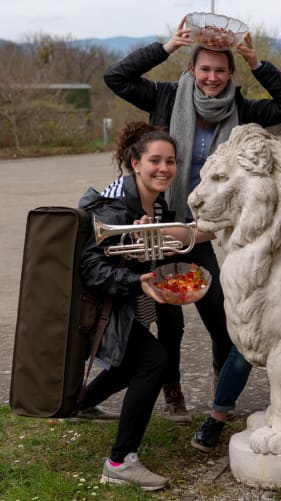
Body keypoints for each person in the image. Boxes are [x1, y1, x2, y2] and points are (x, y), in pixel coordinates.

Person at [103, 16, 281, 425]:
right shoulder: (164, 96)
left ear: (230, 73)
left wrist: (256, 61)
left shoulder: (243, 110)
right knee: (169, 320)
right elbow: (116, 77)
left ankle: (219, 394)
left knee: (222, 316)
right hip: (169, 222)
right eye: (205, 69)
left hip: (218, 229)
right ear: (192, 70)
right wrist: (167, 46)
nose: (212, 78)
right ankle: (173, 391)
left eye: (220, 70)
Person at [77, 121, 178, 490]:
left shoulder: (157, 202)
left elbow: (135, 260)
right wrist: (136, 278)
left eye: (170, 161)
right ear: (135, 163)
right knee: (153, 361)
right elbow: (92, 269)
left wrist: (145, 257)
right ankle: (120, 461)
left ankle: (78, 403)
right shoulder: (116, 209)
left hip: (126, 303)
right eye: (155, 160)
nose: (164, 168)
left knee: (127, 364)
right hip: (101, 308)